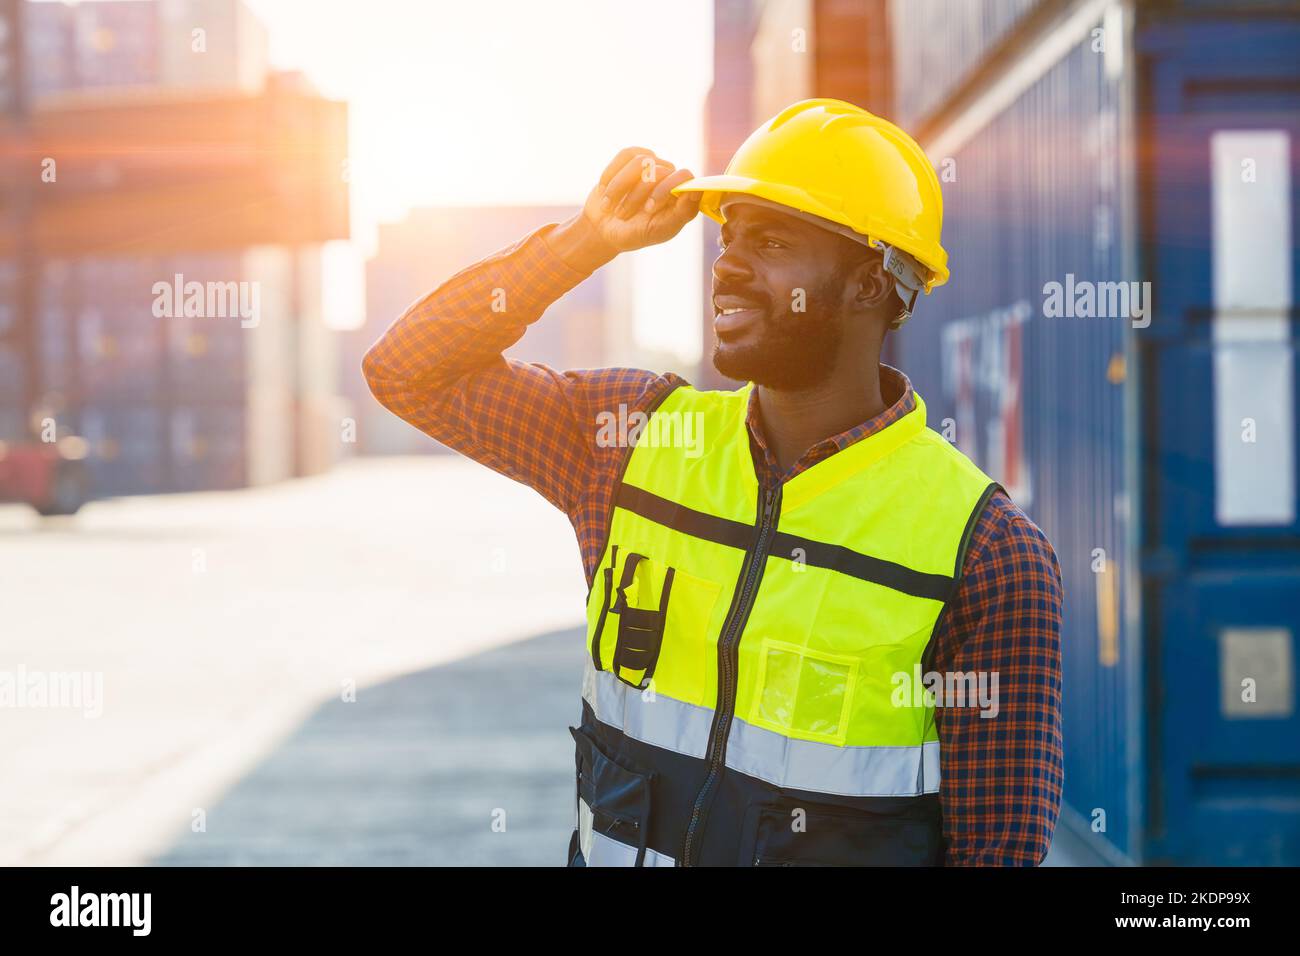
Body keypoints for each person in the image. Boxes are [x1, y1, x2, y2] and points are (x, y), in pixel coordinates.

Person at [363, 98, 1064, 867]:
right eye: (727, 238)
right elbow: (409, 372)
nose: (726, 265)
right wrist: (583, 243)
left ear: (870, 284)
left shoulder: (984, 549)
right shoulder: (630, 439)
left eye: (770, 242)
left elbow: (997, 851)